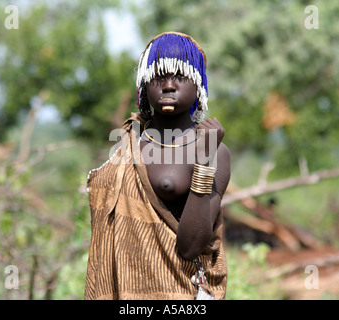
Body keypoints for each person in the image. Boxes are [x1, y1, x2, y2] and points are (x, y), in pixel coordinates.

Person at [84, 32, 231, 300]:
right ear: (144, 85)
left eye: (180, 76)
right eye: (159, 76)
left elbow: (190, 247)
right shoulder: (129, 142)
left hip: (179, 294)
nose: (168, 85)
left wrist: (205, 159)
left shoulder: (214, 151)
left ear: (199, 86)